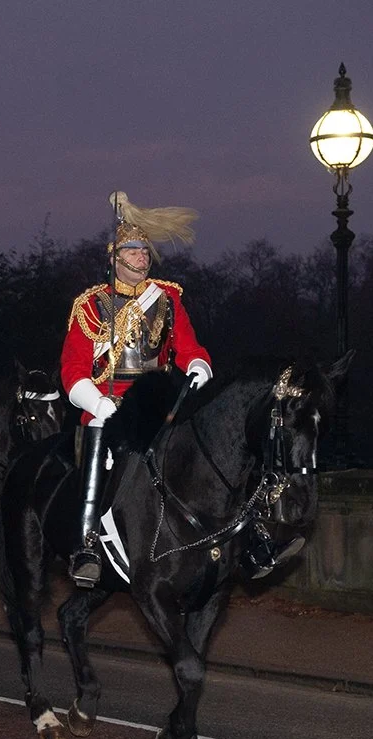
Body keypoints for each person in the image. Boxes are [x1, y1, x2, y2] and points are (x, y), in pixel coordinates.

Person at [60, 191, 212, 588]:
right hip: (107, 404)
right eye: (132, 250)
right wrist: (100, 403)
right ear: (114, 257)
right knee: (101, 447)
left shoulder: (167, 297)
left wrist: (197, 367)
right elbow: (72, 373)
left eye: (145, 251)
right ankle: (89, 543)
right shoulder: (90, 305)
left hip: (156, 400)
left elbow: (188, 348)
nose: (142, 257)